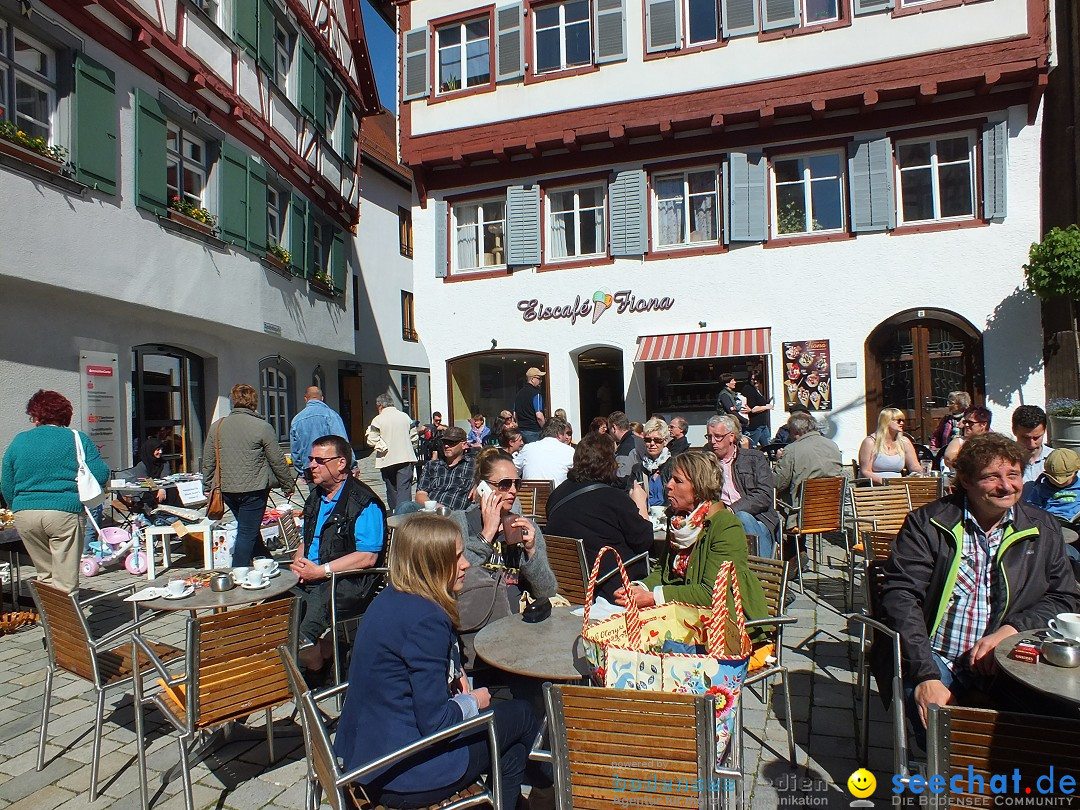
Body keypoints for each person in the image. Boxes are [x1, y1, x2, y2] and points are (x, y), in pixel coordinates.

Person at [335, 513, 543, 808]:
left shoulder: (390, 598)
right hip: (407, 771)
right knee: (520, 713)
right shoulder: (426, 619)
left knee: (509, 752)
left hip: (369, 755)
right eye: (456, 557)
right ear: (430, 564)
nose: (467, 564)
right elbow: (436, 723)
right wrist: (475, 702)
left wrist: (455, 673)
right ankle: (554, 784)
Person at [878, 433, 1080, 730]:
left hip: (1011, 659)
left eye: (1013, 474)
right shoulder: (929, 524)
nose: (1006, 486)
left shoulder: (1042, 527)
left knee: (1060, 729)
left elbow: (1063, 597)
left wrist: (1009, 632)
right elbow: (900, 597)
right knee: (947, 735)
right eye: (991, 477)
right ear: (967, 481)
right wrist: (925, 675)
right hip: (937, 658)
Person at [614, 451, 767, 620]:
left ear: (699, 489)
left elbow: (711, 593)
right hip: (685, 616)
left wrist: (653, 597)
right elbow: (663, 571)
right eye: (671, 478)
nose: (668, 485)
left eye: (678, 481)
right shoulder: (678, 522)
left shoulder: (725, 525)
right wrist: (639, 587)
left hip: (723, 625)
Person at [290, 435, 385, 674]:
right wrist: (298, 562)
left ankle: (307, 661)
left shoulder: (363, 501)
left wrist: (321, 571)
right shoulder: (316, 496)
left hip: (346, 581)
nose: (311, 465)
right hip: (312, 575)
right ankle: (318, 654)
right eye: (311, 459)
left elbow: (368, 557)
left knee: (303, 629)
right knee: (270, 611)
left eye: (319, 460)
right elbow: (308, 538)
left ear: (340, 463)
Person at [1, 390, 109, 594]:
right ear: (64, 415)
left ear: (37, 416)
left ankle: (49, 622)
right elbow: (101, 474)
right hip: (63, 512)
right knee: (65, 582)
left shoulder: (19, 441)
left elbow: (6, 482)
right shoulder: (77, 438)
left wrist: (16, 506)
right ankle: (67, 626)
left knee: (45, 575)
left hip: (26, 515)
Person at [546, 432, 653, 603]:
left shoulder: (556, 495)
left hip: (568, 585)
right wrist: (640, 504)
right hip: (611, 588)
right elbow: (644, 542)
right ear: (609, 462)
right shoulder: (614, 498)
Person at [449, 448, 557, 607]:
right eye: (505, 484)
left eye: (517, 483)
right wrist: (486, 536)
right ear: (482, 486)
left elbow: (547, 592)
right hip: (475, 618)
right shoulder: (460, 522)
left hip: (518, 621)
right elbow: (455, 583)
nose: (513, 490)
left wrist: (532, 552)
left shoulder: (526, 528)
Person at [202, 384, 294, 567]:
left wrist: (206, 486)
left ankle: (267, 561)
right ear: (254, 402)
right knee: (247, 531)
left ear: (233, 402)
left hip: (226, 489)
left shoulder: (217, 427)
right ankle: (238, 571)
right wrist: (288, 484)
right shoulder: (262, 427)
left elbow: (208, 460)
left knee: (248, 529)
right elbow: (277, 459)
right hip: (254, 489)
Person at [705, 415, 780, 559]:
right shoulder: (706, 462)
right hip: (720, 519)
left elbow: (764, 495)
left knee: (743, 518)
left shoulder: (754, 458)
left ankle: (761, 570)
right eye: (709, 437)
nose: (713, 442)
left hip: (758, 517)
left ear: (731, 437)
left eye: (718, 437)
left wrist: (733, 509)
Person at [365, 393, 418, 514]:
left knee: (391, 488)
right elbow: (414, 437)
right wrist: (410, 447)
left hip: (387, 459)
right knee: (404, 488)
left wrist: (382, 447)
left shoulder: (378, 419)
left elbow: (371, 440)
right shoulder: (405, 417)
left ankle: (395, 513)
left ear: (380, 406)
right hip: (405, 457)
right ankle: (404, 515)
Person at [290, 386, 349, 484]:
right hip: (332, 467)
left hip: (310, 468)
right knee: (335, 496)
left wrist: (302, 471)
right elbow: (342, 441)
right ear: (322, 398)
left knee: (315, 498)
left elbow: (295, 451)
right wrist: (351, 465)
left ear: (305, 399)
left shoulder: (296, 420)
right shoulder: (331, 415)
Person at [415, 426, 475, 512]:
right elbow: (420, 494)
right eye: (444, 442)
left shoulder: (474, 466)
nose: (446, 446)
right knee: (406, 506)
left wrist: (478, 484)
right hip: (430, 511)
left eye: (451, 443)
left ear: (464, 445)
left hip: (454, 515)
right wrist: (436, 507)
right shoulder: (432, 465)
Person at [858, 407, 922, 484]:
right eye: (898, 420)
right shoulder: (870, 442)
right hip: (875, 487)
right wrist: (884, 482)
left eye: (903, 420)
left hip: (898, 486)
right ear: (887, 422)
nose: (902, 423)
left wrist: (924, 471)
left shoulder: (904, 442)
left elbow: (914, 466)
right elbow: (865, 471)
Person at [1023, 448, 1080, 526]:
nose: (1059, 483)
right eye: (1054, 479)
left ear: (1075, 473)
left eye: (1065, 480)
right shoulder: (1041, 488)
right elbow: (1032, 506)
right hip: (1049, 523)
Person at [514, 417, 575, 487]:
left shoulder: (528, 448)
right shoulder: (569, 451)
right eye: (565, 434)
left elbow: (512, 470)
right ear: (559, 435)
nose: (566, 438)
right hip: (557, 496)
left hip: (530, 496)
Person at [942, 406, 992, 472]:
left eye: (971, 423)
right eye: (965, 422)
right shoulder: (959, 441)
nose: (966, 425)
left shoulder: (993, 442)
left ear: (983, 424)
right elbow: (949, 459)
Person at [1013, 405, 1052, 484]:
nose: (1032, 444)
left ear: (1044, 430)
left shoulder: (1058, 459)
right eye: (1025, 438)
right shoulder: (1005, 461)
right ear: (1014, 431)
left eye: (1036, 437)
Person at [641, 418, 674, 508]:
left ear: (665, 441)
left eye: (657, 440)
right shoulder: (638, 469)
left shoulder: (674, 466)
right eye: (648, 440)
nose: (652, 443)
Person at [609, 411, 642, 492]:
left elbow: (622, 480)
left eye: (609, 429)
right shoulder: (639, 440)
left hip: (630, 493)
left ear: (614, 428)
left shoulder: (625, 449)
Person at [513, 368, 547, 444]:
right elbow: (539, 416)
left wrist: (519, 425)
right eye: (539, 378)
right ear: (532, 379)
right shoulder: (536, 394)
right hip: (534, 432)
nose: (541, 381)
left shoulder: (518, 394)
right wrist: (545, 429)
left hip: (521, 432)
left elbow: (515, 414)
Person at [742, 370, 774, 450]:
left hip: (762, 424)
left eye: (756, 379)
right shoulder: (748, 389)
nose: (755, 381)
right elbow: (753, 409)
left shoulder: (756, 389)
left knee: (769, 447)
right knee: (751, 449)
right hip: (755, 425)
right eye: (752, 379)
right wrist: (766, 407)